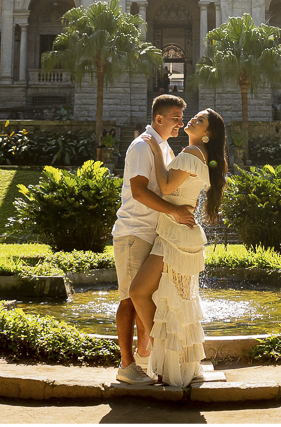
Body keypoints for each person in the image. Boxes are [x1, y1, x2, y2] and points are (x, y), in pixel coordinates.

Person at [129, 109, 229, 387]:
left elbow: (164, 184)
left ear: (207, 134)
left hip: (175, 234)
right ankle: (173, 365)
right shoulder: (201, 157)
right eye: (194, 117)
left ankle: (163, 358)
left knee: (142, 293)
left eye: (199, 121)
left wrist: (156, 149)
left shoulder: (190, 153)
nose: (192, 121)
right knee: (177, 301)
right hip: (179, 232)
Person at [111, 94, 195, 385]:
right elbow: (139, 192)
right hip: (134, 232)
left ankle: (145, 357)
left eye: (182, 118)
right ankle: (126, 365)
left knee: (148, 297)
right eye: (176, 118)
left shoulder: (162, 148)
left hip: (154, 234)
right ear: (158, 118)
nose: (180, 123)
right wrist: (174, 212)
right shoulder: (141, 147)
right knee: (129, 300)